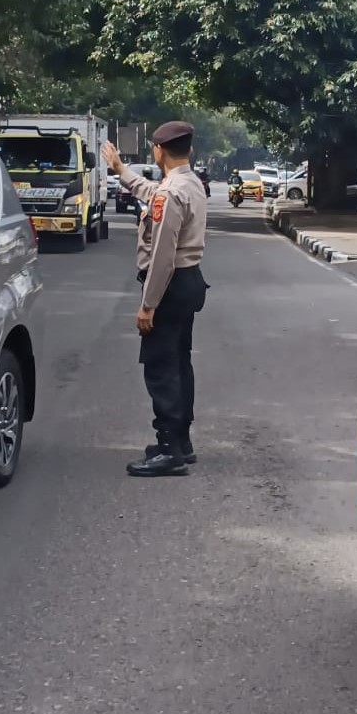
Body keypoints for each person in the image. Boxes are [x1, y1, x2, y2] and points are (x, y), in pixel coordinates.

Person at [102, 121, 208, 477]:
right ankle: (181, 441)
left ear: (159, 151)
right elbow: (151, 191)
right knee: (180, 362)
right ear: (189, 151)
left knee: (161, 368)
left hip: (170, 284)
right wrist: (120, 169)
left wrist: (148, 305)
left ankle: (168, 451)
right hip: (189, 280)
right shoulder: (189, 183)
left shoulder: (170, 192)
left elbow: (162, 256)